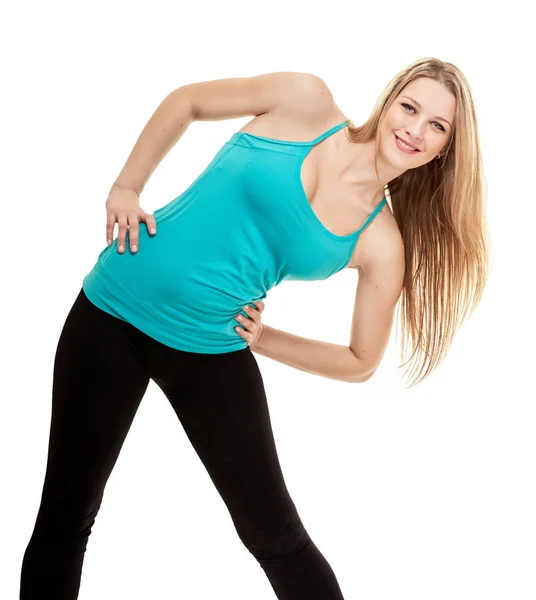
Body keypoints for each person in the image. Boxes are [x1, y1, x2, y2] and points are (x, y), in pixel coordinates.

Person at [19, 57, 490, 599]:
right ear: (389, 101)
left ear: (445, 150)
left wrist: (264, 339)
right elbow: (189, 101)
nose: (413, 129)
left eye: (437, 126)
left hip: (208, 349)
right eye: (410, 107)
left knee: (275, 535)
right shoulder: (306, 100)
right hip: (112, 309)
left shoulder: (381, 242)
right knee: (66, 515)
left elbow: (361, 360)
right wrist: (126, 187)